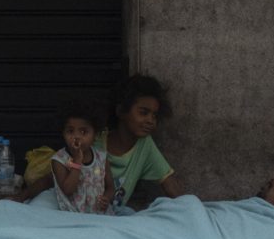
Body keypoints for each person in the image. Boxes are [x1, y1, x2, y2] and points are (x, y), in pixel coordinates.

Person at [97, 74, 184, 209]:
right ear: (120, 111)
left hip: (114, 217)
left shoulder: (144, 144)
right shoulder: (95, 143)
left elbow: (171, 186)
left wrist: (191, 210)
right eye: (143, 113)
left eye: (154, 116)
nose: (150, 120)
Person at [50, 101, 114, 214]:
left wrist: (107, 198)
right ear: (63, 133)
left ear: (95, 135)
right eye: (70, 131)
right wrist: (77, 161)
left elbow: (110, 187)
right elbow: (68, 190)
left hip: (100, 214)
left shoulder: (101, 158)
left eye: (83, 132)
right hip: (73, 214)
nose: (77, 137)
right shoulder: (59, 160)